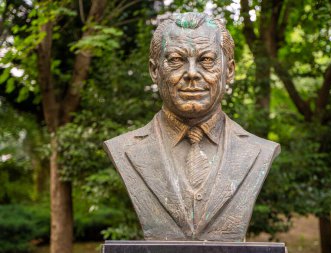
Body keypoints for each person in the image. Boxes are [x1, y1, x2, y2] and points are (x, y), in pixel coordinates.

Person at [104, 12, 280, 241]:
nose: (192, 74)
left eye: (207, 60)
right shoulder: (124, 149)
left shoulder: (259, 152)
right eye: (176, 60)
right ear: (154, 70)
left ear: (229, 70)